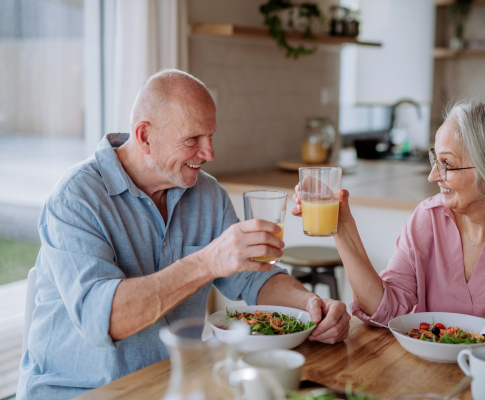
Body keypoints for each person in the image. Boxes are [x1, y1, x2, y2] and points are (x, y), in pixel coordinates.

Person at [18, 69, 350, 400]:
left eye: (210, 136)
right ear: (145, 136)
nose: (209, 154)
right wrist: (207, 262)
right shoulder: (76, 198)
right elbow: (105, 319)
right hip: (82, 392)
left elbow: (254, 278)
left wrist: (310, 306)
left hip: (176, 384)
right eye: (192, 139)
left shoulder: (207, 195)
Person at [293, 98, 485, 360]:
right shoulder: (428, 219)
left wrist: (472, 330)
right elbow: (383, 311)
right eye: (434, 160)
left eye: (446, 163)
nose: (432, 175)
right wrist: (341, 228)